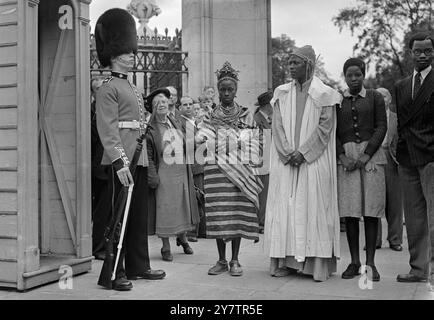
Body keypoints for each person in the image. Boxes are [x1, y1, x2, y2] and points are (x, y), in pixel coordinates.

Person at [94, 8, 165, 291]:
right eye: (127, 51)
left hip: (139, 155)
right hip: (122, 158)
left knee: (137, 216)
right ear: (114, 54)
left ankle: (138, 265)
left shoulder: (133, 87)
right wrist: (121, 162)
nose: (132, 54)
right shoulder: (107, 88)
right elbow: (107, 129)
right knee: (119, 216)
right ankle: (114, 271)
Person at [264, 45, 342, 282]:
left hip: (313, 162)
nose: (290, 67)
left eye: (295, 63)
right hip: (286, 160)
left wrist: (304, 153)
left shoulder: (325, 94)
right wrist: (288, 152)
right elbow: (276, 126)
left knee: (313, 209)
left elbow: (325, 129)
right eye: (289, 63)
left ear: (308, 65)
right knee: (285, 208)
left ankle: (315, 265)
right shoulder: (281, 92)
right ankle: (284, 262)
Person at [196, 61, 263, 277]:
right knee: (218, 214)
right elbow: (203, 142)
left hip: (239, 171)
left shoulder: (246, 115)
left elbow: (255, 141)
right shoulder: (208, 116)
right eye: (222, 89)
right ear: (218, 90)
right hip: (216, 171)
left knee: (236, 213)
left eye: (230, 89)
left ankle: (235, 259)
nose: (226, 93)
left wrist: (230, 143)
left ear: (235, 90)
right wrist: (234, 142)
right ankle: (221, 260)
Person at [337, 58, 387, 282]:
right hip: (347, 159)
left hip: (372, 158)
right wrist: (342, 156)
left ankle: (370, 264)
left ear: (363, 75)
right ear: (344, 77)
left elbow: (381, 126)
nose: (354, 78)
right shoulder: (338, 101)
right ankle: (354, 261)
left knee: (370, 210)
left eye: (358, 74)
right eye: (350, 75)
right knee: (350, 211)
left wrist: (367, 154)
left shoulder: (375, 97)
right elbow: (333, 131)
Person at [395, 32, 434, 285]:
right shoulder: (400, 86)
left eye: (427, 51)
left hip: (431, 156)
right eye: (417, 51)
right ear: (410, 53)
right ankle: (418, 269)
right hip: (407, 157)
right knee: (414, 217)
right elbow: (400, 122)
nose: (422, 55)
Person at [146, 90, 199, 261]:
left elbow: (183, 143)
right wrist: (153, 177)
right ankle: (166, 246)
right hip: (164, 173)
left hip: (180, 170)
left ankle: (182, 238)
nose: (161, 105)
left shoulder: (173, 121)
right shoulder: (151, 128)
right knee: (166, 209)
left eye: (163, 102)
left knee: (182, 205)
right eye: (157, 103)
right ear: (153, 108)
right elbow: (148, 155)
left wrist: (195, 142)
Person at [376, 87, 404, 252]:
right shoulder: (370, 118)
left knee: (394, 202)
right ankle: (375, 240)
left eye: (384, 96)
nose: (381, 99)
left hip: (393, 161)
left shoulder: (397, 118)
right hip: (375, 159)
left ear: (390, 99)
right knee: (375, 203)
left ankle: (395, 240)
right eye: (378, 96)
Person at [178, 96, 206, 242]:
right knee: (194, 197)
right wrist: (197, 141)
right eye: (185, 105)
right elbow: (183, 142)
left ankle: (201, 230)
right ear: (180, 108)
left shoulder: (194, 122)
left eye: (190, 104)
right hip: (190, 164)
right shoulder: (180, 122)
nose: (188, 107)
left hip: (199, 163)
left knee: (200, 197)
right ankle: (191, 232)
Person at [90, 76, 111, 260]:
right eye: (98, 89)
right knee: (99, 211)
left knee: (108, 211)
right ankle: (97, 248)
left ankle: (105, 243)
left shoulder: (108, 109)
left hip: (109, 166)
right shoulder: (90, 112)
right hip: (97, 169)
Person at [253, 91, 273, 234]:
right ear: (268, 105)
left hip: (268, 159)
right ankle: (260, 222)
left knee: (266, 192)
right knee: (262, 192)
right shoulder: (256, 119)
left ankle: (263, 221)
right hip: (260, 160)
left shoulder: (266, 118)